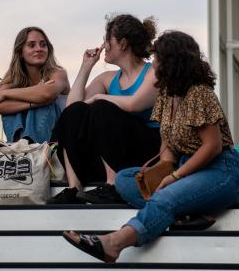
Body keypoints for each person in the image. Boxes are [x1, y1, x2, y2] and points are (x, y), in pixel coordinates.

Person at [62, 30, 239, 262]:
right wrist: (161, 171)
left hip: (219, 170)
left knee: (164, 197)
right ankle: (185, 213)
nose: (153, 62)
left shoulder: (199, 93)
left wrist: (176, 177)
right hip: (184, 167)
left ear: (171, 61)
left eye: (157, 58)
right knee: (125, 180)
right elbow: (167, 147)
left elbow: (212, 147)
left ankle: (114, 243)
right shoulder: (167, 96)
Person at [48, 14, 161, 205]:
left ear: (123, 44)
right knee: (75, 112)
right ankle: (74, 188)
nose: (104, 45)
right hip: (114, 153)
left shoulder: (153, 73)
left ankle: (113, 185)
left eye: (107, 40)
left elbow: (134, 104)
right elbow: (72, 108)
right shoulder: (108, 78)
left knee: (102, 107)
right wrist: (86, 66)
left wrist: (100, 97)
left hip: (147, 154)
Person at [0, 27, 69, 144]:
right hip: (20, 146)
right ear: (21, 52)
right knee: (21, 108)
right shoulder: (13, 79)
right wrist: (33, 102)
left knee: (41, 106)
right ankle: (19, 149)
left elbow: (46, 94)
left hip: (56, 140)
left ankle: (29, 148)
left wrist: (5, 94)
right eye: (32, 45)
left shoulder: (58, 73)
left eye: (43, 45)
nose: (39, 49)